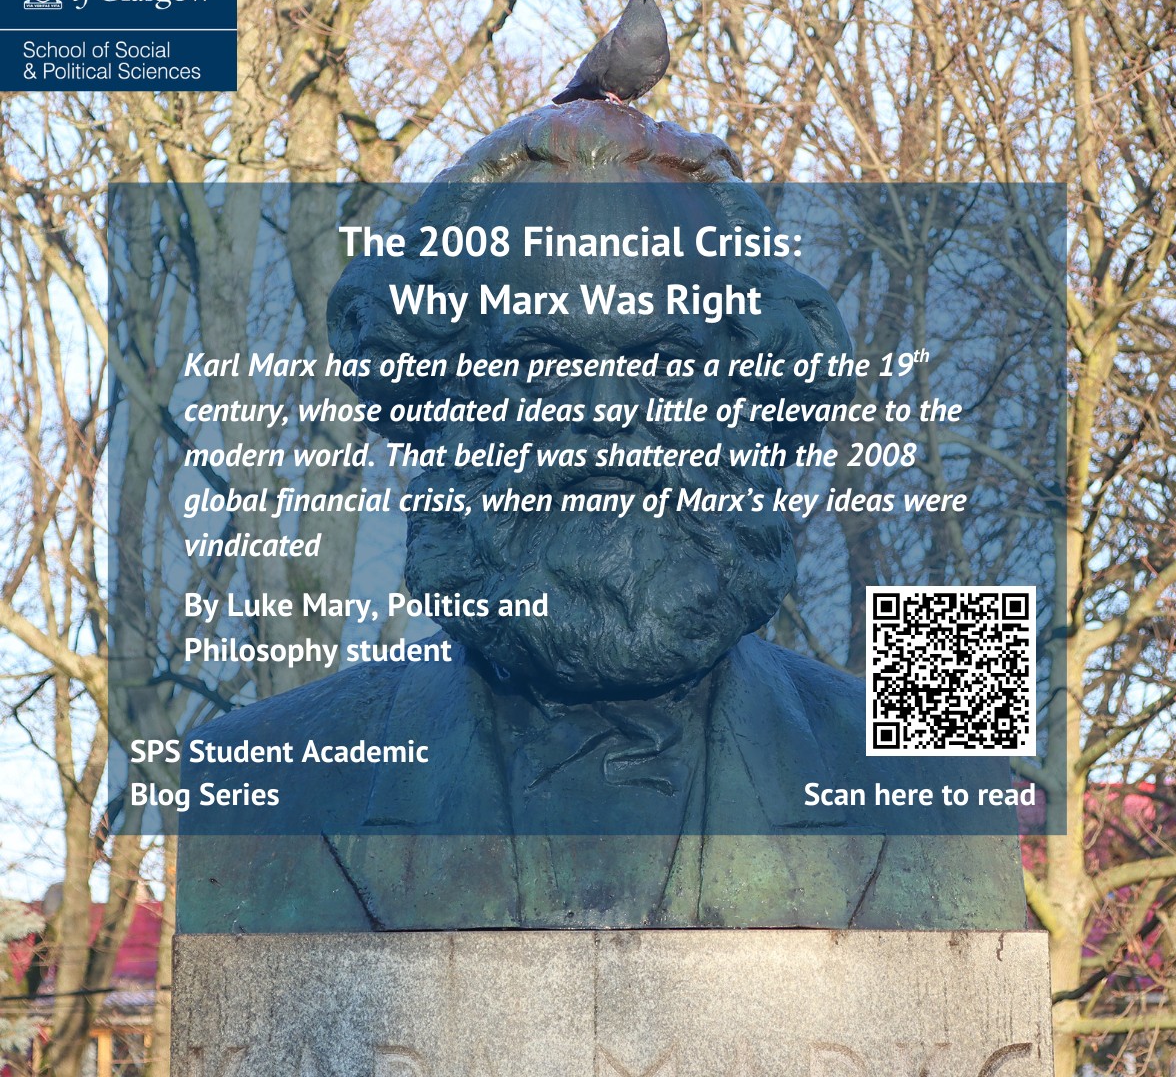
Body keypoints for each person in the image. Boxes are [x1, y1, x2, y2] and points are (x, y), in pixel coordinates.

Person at [177, 103, 1026, 933]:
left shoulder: (948, 777)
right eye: (540, 363)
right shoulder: (257, 777)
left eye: (666, 362)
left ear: (753, 390)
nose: (605, 413)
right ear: (442, 395)